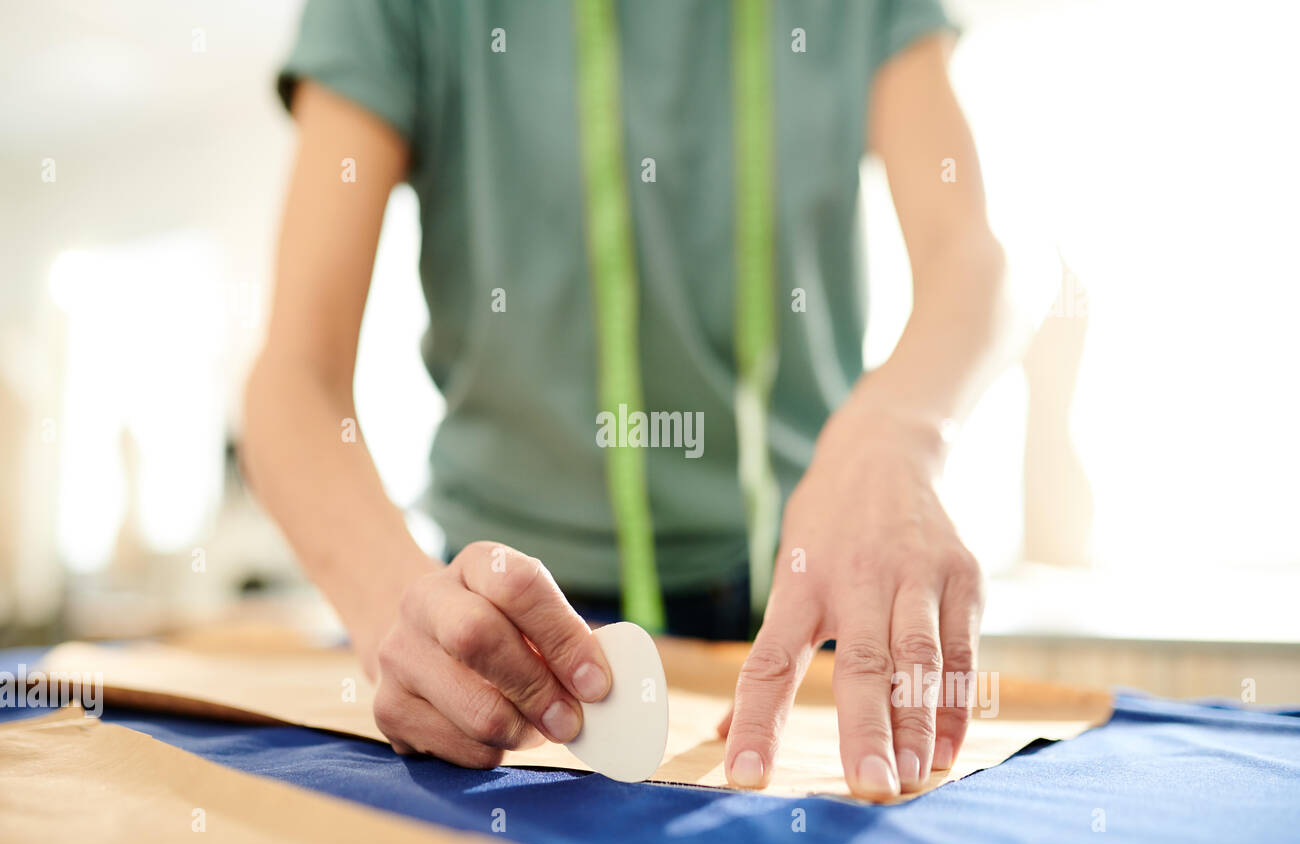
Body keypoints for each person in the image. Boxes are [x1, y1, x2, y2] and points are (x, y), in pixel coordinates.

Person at [242, 0, 1023, 800]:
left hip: (805, 612)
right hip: (503, 646)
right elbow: (292, 380)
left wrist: (892, 437)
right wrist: (392, 600)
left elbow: (975, 258)